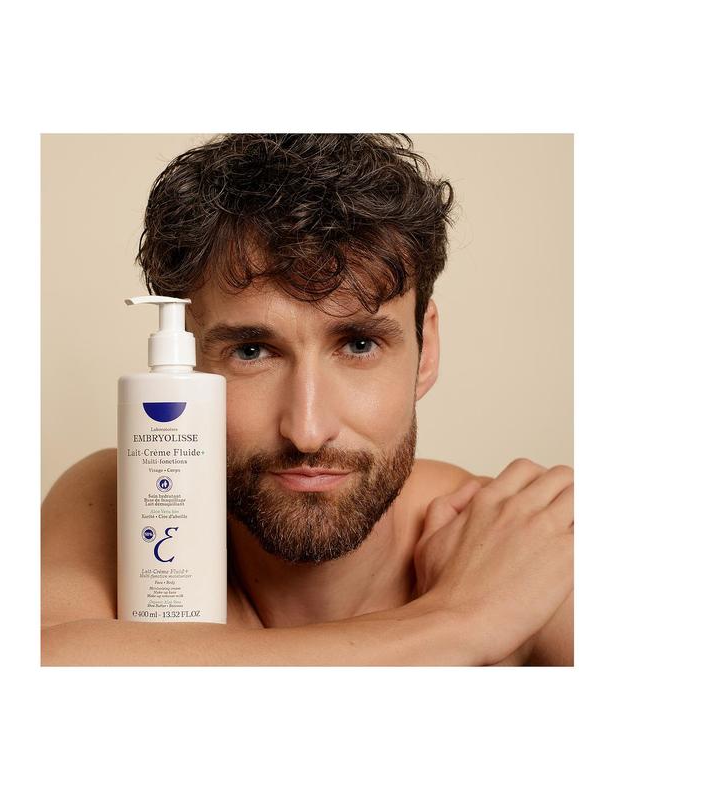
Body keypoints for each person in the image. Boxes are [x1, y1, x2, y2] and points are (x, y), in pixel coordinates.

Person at [41, 134, 574, 666]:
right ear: (188, 363)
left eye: (359, 345)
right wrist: (459, 622)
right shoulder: (132, 494)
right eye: (251, 351)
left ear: (425, 349)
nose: (307, 430)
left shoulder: (518, 547)